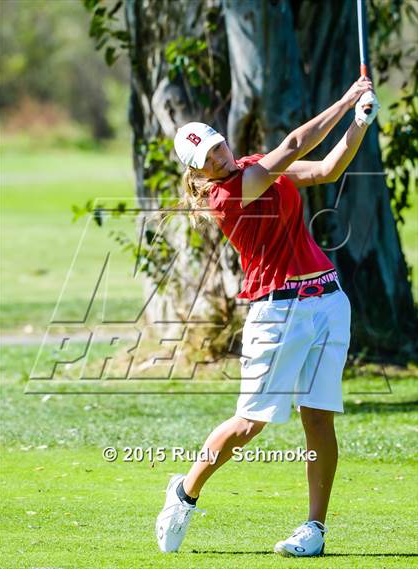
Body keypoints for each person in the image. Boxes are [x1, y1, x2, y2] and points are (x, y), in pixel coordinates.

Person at [155, 76, 380, 557]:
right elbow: (296, 142)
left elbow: (326, 169)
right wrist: (344, 97)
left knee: (319, 421)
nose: (219, 157)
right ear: (197, 174)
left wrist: (360, 121)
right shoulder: (227, 196)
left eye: (218, 146)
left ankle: (314, 529)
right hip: (277, 313)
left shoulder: (254, 167)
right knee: (248, 425)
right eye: (208, 159)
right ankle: (185, 492)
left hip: (327, 301)